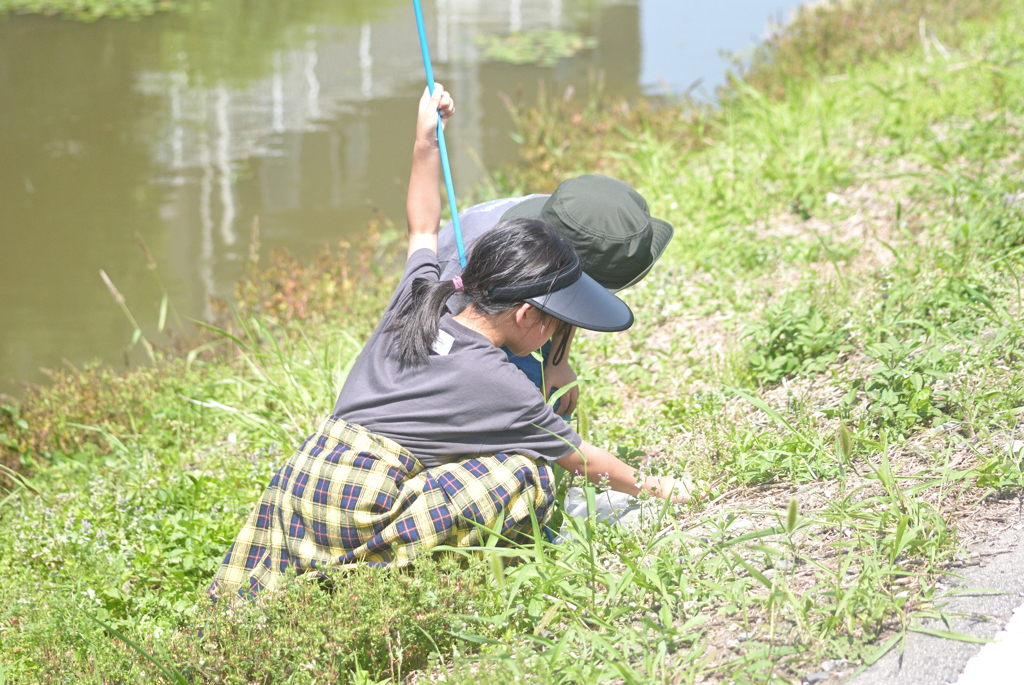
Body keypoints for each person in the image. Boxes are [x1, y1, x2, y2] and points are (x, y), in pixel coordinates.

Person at [209, 85, 689, 601]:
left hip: (301, 478)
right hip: (364, 499)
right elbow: (581, 457)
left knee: (256, 601)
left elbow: (421, 224)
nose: (555, 333)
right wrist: (658, 488)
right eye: (553, 321)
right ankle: (358, 585)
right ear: (527, 314)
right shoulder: (500, 382)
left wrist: (425, 142)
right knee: (529, 473)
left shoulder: (422, 294)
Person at [437, 174, 674, 418]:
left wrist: (558, 361)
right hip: (456, 329)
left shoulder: (569, 221)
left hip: (515, 308)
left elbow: (575, 298)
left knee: (548, 396)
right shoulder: (469, 270)